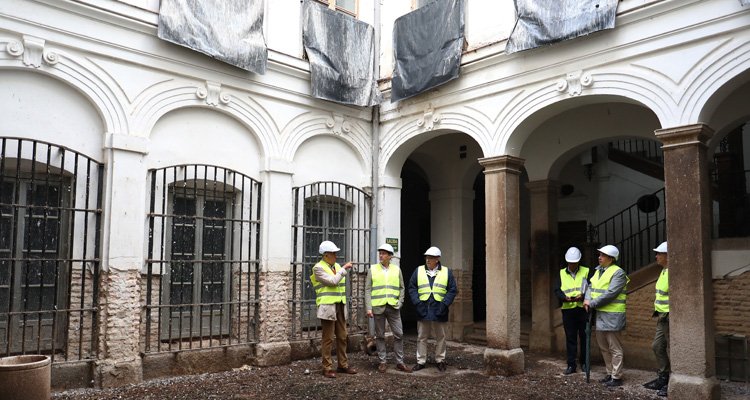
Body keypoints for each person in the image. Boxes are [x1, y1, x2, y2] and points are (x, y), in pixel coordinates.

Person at [310, 240, 358, 378]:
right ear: (326, 255)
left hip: (340, 305)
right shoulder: (318, 268)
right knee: (328, 338)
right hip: (327, 307)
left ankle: (343, 365)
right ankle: (327, 367)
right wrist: (344, 269)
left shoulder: (336, 266)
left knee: (343, 336)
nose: (336, 256)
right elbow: (332, 282)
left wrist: (341, 269)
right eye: (333, 253)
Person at [584, 244, 629, 387]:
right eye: (599, 255)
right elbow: (591, 287)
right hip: (600, 314)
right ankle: (610, 373)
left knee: (614, 347)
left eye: (602, 255)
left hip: (613, 315)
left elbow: (611, 293)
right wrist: (587, 298)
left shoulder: (618, 273)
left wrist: (592, 303)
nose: (599, 257)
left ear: (611, 258)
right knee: (603, 346)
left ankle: (617, 376)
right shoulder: (598, 271)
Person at [408, 246, 458, 372]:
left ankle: (440, 360)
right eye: (427, 257)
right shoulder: (418, 271)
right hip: (423, 307)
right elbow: (412, 287)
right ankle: (421, 361)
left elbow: (452, 290)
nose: (427, 260)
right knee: (421, 336)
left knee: (440, 336)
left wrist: (444, 304)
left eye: (430, 257)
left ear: (437, 259)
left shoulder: (447, 272)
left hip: (439, 308)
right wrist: (417, 303)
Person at [365, 243, 411, 373]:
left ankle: (400, 362)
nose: (381, 255)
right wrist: (369, 307)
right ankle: (382, 361)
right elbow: (367, 290)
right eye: (380, 253)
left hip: (393, 307)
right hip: (378, 306)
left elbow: (402, 287)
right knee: (380, 335)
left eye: (384, 253)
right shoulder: (373, 269)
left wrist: (400, 302)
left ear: (390, 256)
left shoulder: (397, 270)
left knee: (399, 334)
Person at [554, 247, 590, 375]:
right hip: (568, 310)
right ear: (567, 262)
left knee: (584, 337)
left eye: (574, 262)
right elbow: (557, 290)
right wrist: (564, 298)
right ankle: (571, 365)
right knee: (570, 338)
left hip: (582, 309)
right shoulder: (561, 273)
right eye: (570, 262)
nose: (572, 264)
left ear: (579, 261)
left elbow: (591, 287)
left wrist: (584, 295)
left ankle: (585, 363)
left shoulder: (586, 271)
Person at [643, 241, 670, 397]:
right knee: (657, 346)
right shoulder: (664, 271)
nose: (656, 256)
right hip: (662, 315)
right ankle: (664, 376)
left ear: (668, 256)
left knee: (671, 348)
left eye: (659, 253)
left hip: (670, 316)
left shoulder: (672, 272)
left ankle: (670, 380)